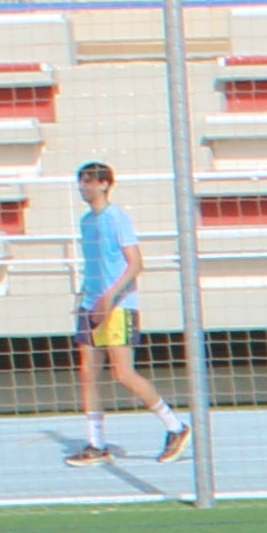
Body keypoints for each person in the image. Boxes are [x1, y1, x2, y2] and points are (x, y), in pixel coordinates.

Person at [64, 160, 184, 461]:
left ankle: (175, 426)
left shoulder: (117, 218)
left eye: (89, 180)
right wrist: (84, 297)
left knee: (123, 373)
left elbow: (135, 263)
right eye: (81, 181)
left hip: (118, 305)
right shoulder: (85, 222)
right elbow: (95, 263)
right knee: (88, 373)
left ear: (104, 184)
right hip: (90, 303)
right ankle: (97, 443)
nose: (84, 186)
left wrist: (110, 299)